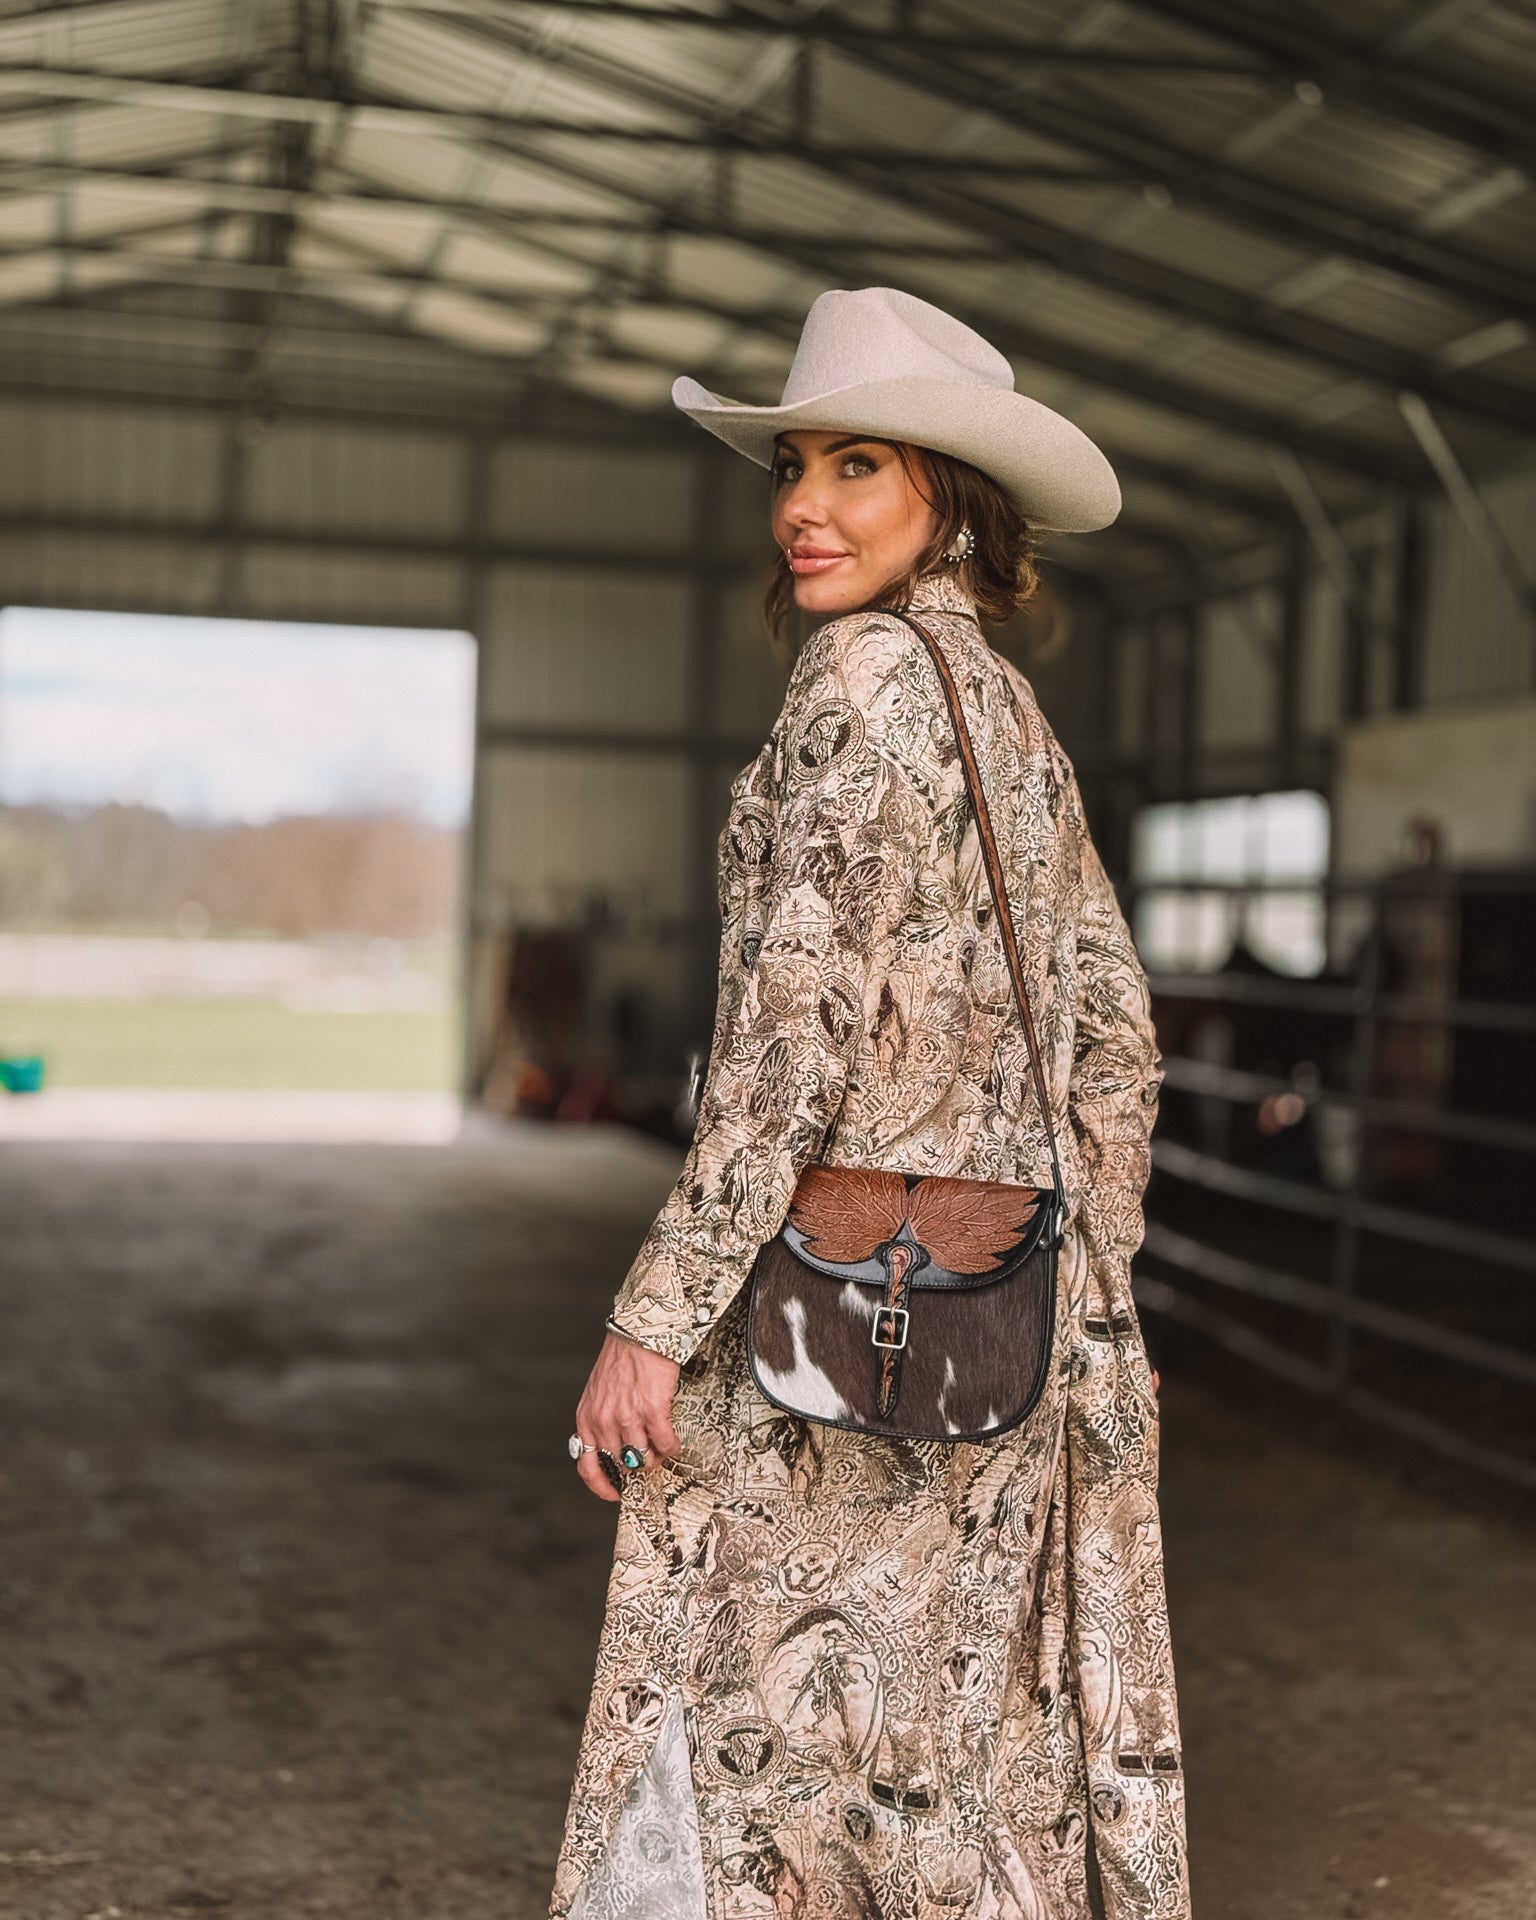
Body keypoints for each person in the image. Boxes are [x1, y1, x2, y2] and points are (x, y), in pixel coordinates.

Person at [551, 287, 1191, 1920]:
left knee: (763, 1729)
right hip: (1016, 1339)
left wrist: (657, 1311)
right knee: (959, 1734)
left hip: (835, 1324)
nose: (803, 507)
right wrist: (1062, 1260)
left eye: (858, 469)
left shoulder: (856, 687)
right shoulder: (1013, 723)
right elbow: (1122, 1032)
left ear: (950, 504)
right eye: (795, 468)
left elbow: (789, 1042)